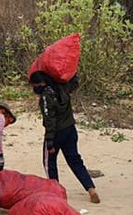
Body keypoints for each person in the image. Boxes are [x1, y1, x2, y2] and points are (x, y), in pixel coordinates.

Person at [29, 71, 100, 203]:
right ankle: (91, 189)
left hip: (56, 133)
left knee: (49, 162)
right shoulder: (62, 88)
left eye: (34, 85)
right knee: (75, 160)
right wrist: (72, 72)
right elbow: (74, 83)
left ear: (41, 83)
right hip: (70, 130)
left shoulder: (46, 97)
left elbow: (49, 119)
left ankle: (56, 192)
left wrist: (50, 141)